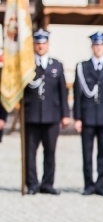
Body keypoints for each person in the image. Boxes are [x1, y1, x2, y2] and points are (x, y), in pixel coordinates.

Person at [24, 29, 70, 195]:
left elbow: (62, 92)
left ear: (48, 45)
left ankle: (47, 184)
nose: (41, 46)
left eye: (43, 43)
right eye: (38, 43)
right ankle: (32, 184)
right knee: (30, 153)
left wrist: (65, 114)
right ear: (34, 45)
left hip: (51, 116)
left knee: (50, 152)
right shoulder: (27, 66)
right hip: (32, 116)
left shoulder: (56, 65)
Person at [73, 31, 103, 196]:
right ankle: (88, 184)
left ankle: (101, 184)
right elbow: (78, 94)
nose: (98, 48)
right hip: (87, 116)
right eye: (96, 45)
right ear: (92, 46)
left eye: (101, 45)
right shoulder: (83, 67)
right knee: (87, 153)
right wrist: (77, 117)